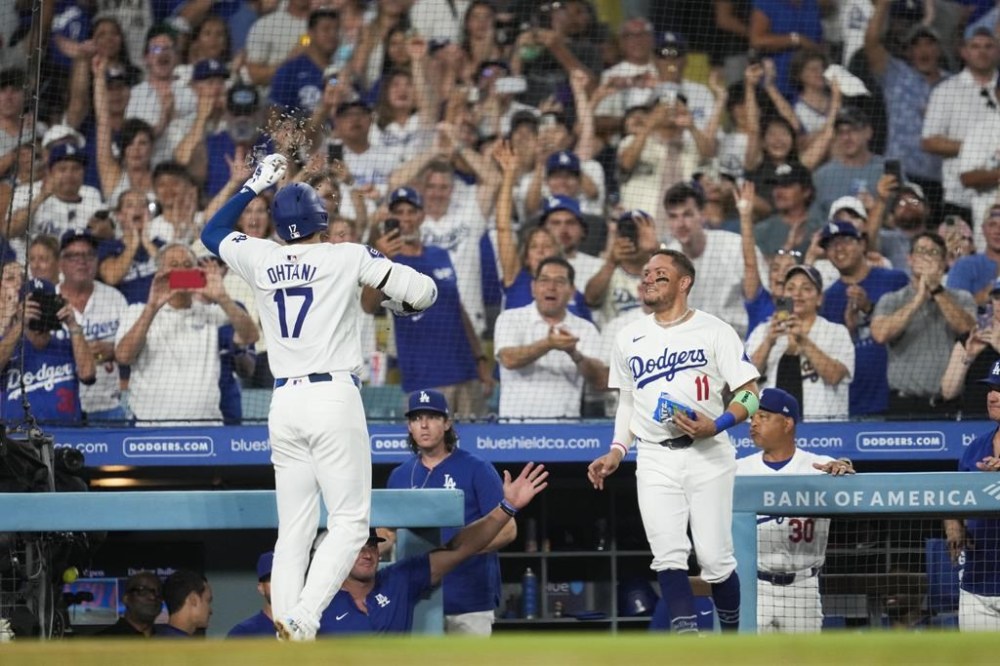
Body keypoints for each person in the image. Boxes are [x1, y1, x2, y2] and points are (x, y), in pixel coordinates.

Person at [199, 153, 438, 641]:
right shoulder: (346, 255)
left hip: (282, 404)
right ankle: (305, 617)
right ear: (321, 223)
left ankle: (287, 627)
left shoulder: (261, 256)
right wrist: (393, 297)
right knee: (350, 523)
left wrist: (254, 184)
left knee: (295, 530)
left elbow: (211, 233)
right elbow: (426, 293)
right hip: (332, 397)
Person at [587, 249, 760, 634]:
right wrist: (618, 449)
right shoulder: (628, 335)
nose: (648, 279)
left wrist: (717, 424)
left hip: (709, 455)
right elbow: (628, 401)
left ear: (684, 283)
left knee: (716, 561)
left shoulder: (715, 330)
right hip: (653, 456)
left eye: (659, 275)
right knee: (667, 556)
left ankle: (731, 641)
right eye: (646, 274)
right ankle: (687, 646)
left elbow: (750, 394)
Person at [318, 463, 549, 635]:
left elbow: (458, 548)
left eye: (372, 545)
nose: (368, 553)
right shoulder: (316, 597)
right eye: (358, 547)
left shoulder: (398, 580)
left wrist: (506, 507)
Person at [383, 389, 513, 635]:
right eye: (416, 418)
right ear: (409, 426)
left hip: (468, 599)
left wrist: (459, 551)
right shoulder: (399, 475)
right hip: (417, 597)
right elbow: (387, 531)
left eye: (432, 417)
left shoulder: (477, 468)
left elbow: (507, 530)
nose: (424, 425)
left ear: (446, 423)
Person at [737, 388, 855, 633]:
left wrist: (844, 466)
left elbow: (848, 477)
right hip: (755, 585)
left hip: (802, 586)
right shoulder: (738, 469)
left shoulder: (816, 465)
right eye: (752, 418)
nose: (754, 423)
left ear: (787, 423)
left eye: (763, 417)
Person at [114, 243, 259, 426]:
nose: (181, 270)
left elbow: (251, 336)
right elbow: (123, 356)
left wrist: (222, 298)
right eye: (173, 265)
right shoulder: (137, 311)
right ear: (159, 272)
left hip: (207, 429)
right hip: (151, 430)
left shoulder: (211, 312)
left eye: (188, 266)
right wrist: (152, 307)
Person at [871, 232, 977, 418]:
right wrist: (919, 298)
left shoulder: (962, 298)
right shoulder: (892, 299)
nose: (927, 256)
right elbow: (880, 334)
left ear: (944, 263)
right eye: (921, 251)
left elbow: (968, 330)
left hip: (947, 407)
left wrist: (935, 289)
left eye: (934, 252)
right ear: (910, 259)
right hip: (903, 407)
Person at [493, 257, 605, 420]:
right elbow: (509, 359)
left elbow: (600, 380)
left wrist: (575, 355)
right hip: (516, 429)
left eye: (560, 282)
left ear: (572, 291)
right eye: (544, 280)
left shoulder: (585, 328)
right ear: (533, 288)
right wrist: (548, 344)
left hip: (566, 430)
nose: (551, 287)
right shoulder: (510, 319)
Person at [746, 265, 854, 421]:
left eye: (806, 288)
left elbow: (834, 376)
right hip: (770, 430)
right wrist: (768, 342)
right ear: (782, 295)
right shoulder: (763, 331)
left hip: (825, 431)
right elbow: (746, 379)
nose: (797, 294)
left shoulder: (836, 332)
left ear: (819, 298)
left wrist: (803, 340)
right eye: (790, 288)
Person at [943, 358, 1000, 631]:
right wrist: (954, 526)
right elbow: (953, 499)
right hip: (978, 584)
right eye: (991, 389)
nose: (993, 396)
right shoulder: (975, 447)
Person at [96, 571, 163, 637]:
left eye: (158, 592)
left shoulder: (168, 639)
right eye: (143, 591)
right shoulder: (101, 641)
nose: (153, 597)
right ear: (126, 599)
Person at [227, 552, 276, 637]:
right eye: (271, 579)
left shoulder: (305, 628)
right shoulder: (243, 633)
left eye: (284, 578)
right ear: (261, 588)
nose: (278, 583)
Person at [157, 570, 213, 638]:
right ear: (193, 599)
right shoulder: (183, 646)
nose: (210, 611)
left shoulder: (156, 641)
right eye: (208, 601)